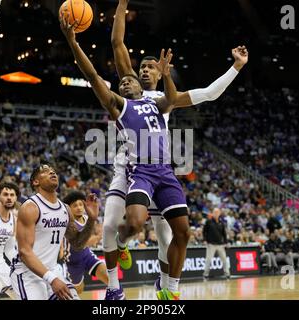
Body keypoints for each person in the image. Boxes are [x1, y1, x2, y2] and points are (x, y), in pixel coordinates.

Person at [102, 0, 248, 300]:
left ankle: (166, 287)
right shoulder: (129, 89)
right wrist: (121, 5)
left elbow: (209, 93)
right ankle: (119, 268)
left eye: (150, 67)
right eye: (141, 66)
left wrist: (235, 67)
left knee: (170, 235)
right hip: (129, 165)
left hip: (160, 168)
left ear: (160, 73)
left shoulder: (166, 97)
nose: (143, 70)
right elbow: (117, 41)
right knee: (113, 225)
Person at [61, 14, 194, 300]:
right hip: (138, 170)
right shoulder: (120, 105)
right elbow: (95, 74)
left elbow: (172, 99)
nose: (125, 83)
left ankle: (169, 289)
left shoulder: (157, 101)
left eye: (130, 81)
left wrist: (167, 75)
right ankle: (121, 249)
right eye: (122, 82)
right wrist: (73, 43)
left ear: (140, 85)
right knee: (131, 224)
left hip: (165, 171)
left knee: (178, 233)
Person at [10, 164, 99, 300]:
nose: (52, 172)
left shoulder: (65, 209)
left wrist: (91, 220)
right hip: (27, 273)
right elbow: (24, 252)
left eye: (53, 171)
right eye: (45, 172)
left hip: (52, 270)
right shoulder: (30, 208)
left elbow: (77, 243)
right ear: (35, 182)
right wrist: (51, 279)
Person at [62, 191, 108, 294]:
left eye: (81, 205)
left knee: (110, 278)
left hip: (86, 255)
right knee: (79, 290)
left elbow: (93, 237)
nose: (79, 207)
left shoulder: (87, 218)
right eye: (75, 206)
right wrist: (99, 236)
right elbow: (81, 243)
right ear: (69, 208)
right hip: (71, 261)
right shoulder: (68, 223)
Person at [202, 209, 230, 280]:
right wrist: (205, 240)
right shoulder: (208, 222)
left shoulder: (221, 222)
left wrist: (226, 242)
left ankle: (227, 274)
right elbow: (204, 231)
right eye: (214, 212)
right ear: (212, 213)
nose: (216, 214)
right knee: (208, 260)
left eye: (217, 212)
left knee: (224, 260)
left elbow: (224, 234)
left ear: (219, 213)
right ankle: (205, 274)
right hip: (211, 244)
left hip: (220, 245)